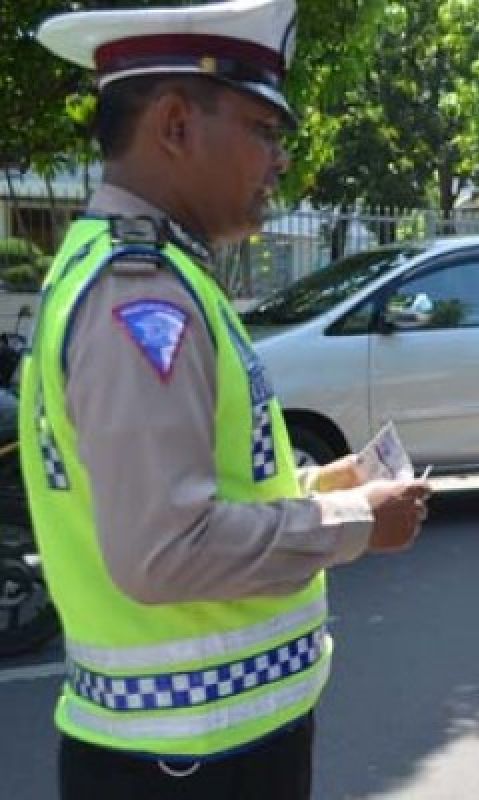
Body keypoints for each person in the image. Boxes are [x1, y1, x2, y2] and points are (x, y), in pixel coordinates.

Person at [21, 2, 431, 798]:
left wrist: (320, 486)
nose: (278, 160)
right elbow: (165, 548)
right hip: (191, 764)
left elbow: (193, 489)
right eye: (262, 130)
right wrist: (355, 524)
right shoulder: (139, 297)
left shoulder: (145, 276)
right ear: (175, 124)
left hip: (195, 749)